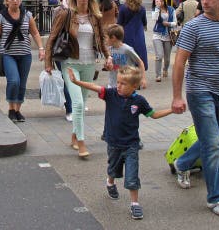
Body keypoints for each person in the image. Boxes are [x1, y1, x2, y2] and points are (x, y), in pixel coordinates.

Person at [171, 0, 219, 218]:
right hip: (199, 91)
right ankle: (217, 199)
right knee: (212, 144)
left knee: (210, 140)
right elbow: (180, 62)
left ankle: (182, 164)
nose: (205, 1)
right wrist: (176, 96)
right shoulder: (193, 27)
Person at [67, 65, 172, 221]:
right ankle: (110, 183)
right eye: (118, 82)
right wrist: (77, 82)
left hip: (131, 145)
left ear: (134, 86)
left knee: (132, 175)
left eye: (123, 83)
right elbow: (95, 87)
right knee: (113, 170)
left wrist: (172, 110)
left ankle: (135, 204)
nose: (119, 86)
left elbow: (154, 114)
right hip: (114, 143)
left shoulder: (139, 101)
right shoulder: (111, 94)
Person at [44, 0, 112, 159]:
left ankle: (74, 135)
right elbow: (52, 38)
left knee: (82, 103)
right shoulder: (65, 14)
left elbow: (101, 39)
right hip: (70, 63)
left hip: (89, 64)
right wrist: (48, 62)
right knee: (78, 104)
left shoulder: (95, 16)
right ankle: (81, 142)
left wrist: (108, 56)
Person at [0, 0, 44, 122]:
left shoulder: (27, 15)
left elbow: (35, 33)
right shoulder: (1, 17)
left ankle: (18, 110)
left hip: (25, 54)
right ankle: (11, 108)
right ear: (7, 1)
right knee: (14, 81)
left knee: (22, 84)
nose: (15, 1)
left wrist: (41, 49)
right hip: (7, 54)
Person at [104, 25, 146, 89]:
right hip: (112, 84)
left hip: (127, 84)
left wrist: (143, 78)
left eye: (106, 38)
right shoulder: (109, 49)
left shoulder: (127, 49)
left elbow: (140, 63)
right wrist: (107, 66)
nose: (105, 40)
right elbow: (108, 67)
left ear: (113, 38)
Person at [117, 0, 148, 71]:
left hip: (126, 35)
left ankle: (126, 77)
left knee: (126, 56)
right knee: (139, 55)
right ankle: (139, 78)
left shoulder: (123, 8)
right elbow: (144, 22)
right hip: (139, 35)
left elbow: (119, 23)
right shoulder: (142, 9)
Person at [151, 0, 176, 82]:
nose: (159, 3)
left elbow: (175, 22)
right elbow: (154, 18)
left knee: (167, 58)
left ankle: (165, 69)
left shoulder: (171, 9)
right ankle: (158, 75)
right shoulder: (156, 10)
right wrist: (157, 8)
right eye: (158, 1)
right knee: (159, 55)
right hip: (157, 35)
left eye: (161, 1)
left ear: (164, 1)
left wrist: (168, 24)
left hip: (168, 36)